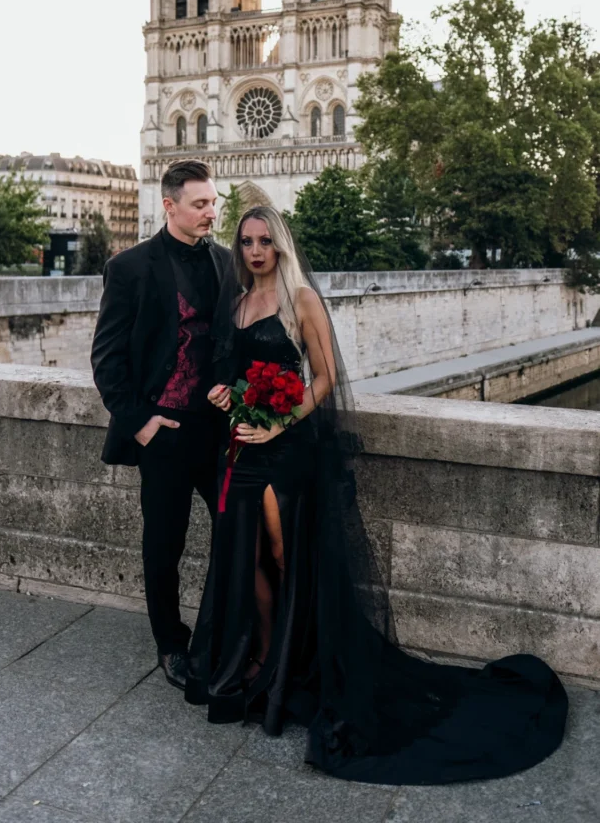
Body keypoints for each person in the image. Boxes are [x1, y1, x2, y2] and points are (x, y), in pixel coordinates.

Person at [185, 205, 568, 785]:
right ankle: (261, 658)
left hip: (285, 449)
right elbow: (234, 374)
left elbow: (324, 377)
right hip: (240, 448)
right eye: (246, 242)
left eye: (265, 241)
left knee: (286, 557)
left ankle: (291, 665)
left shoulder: (301, 301)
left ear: (281, 246)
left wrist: (278, 425)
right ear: (238, 249)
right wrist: (226, 396)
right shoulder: (235, 304)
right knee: (249, 560)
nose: (256, 250)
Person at [91, 159, 230, 690]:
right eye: (200, 204)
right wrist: (141, 423)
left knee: (235, 531)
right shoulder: (129, 267)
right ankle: (171, 645)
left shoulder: (226, 262)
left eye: (213, 202)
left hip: (218, 431)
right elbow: (107, 359)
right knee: (164, 544)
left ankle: (219, 636)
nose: (211, 212)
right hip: (164, 432)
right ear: (169, 206)